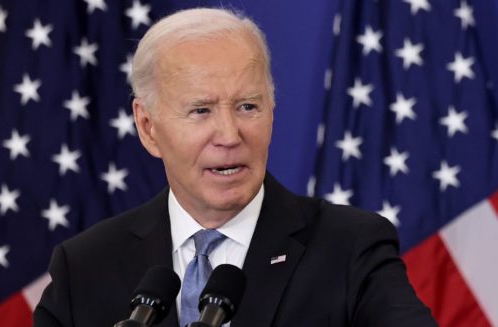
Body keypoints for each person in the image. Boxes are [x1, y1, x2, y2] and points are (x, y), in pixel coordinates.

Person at [33, 8, 437, 327]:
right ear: (148, 127)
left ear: (272, 112)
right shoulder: (85, 267)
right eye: (201, 110)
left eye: (248, 106)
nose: (229, 134)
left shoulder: (351, 248)